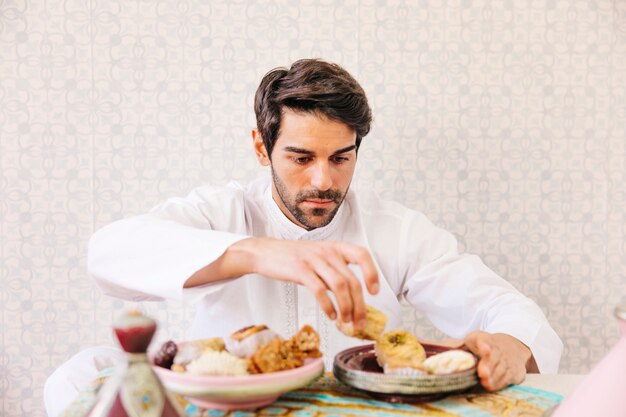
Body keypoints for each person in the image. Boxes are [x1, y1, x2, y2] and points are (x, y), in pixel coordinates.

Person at [45, 58, 562, 416]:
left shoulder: (395, 228)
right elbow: (108, 253)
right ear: (261, 146)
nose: (323, 181)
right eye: (301, 158)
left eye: (341, 158)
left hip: (358, 410)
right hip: (234, 406)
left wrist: (510, 346)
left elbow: (509, 311)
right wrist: (257, 253)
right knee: (79, 371)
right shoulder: (221, 210)